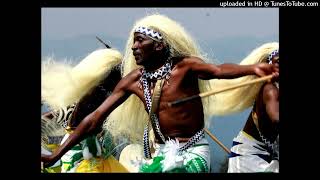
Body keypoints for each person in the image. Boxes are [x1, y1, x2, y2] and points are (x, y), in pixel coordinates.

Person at [41, 14, 279, 173]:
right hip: (162, 156)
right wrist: (56, 155)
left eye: (140, 41)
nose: (133, 47)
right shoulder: (133, 81)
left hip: (192, 154)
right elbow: (95, 119)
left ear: (159, 45)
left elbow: (218, 70)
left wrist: (254, 69)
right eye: (133, 42)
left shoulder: (185, 67)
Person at [41, 48, 128, 172]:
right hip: (79, 152)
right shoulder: (97, 95)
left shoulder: (99, 93)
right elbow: (86, 125)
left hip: (89, 153)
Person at [228, 47, 279, 173]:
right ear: (269, 67)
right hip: (247, 155)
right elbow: (276, 118)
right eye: (278, 62)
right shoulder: (270, 90)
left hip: (266, 155)